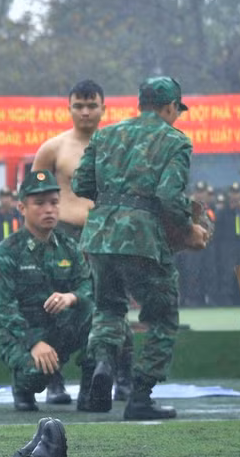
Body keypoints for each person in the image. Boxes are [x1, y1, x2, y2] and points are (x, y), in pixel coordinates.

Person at [72, 76, 209, 420]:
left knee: (108, 308)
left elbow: (81, 184)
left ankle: (103, 362)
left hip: (100, 238)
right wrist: (189, 226)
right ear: (169, 107)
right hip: (142, 240)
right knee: (161, 317)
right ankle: (141, 395)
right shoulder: (175, 140)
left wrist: (113, 207)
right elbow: (168, 196)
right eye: (177, 110)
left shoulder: (106, 134)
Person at [32, 79, 132, 404]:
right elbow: (34, 197)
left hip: (106, 235)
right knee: (55, 306)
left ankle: (122, 377)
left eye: (92, 105)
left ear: (104, 108)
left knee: (112, 304)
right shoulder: (53, 149)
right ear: (69, 108)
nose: (86, 111)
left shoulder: (119, 147)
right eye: (79, 105)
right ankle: (54, 380)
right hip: (63, 235)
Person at [0, 171, 93, 412]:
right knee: (34, 375)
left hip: (60, 327)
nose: (49, 210)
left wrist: (71, 297)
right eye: (40, 203)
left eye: (54, 203)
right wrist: (34, 343)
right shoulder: (6, 252)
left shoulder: (69, 247)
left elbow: (87, 287)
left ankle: (90, 390)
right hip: (22, 333)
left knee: (99, 318)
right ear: (22, 208)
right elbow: (5, 310)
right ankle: (24, 385)